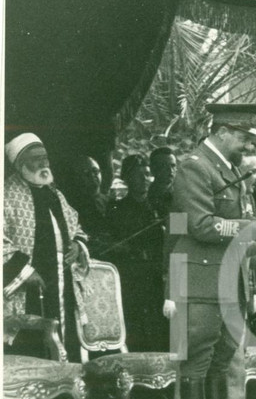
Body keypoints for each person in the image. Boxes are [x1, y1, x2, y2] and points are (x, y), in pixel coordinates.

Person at [167, 103, 256, 399]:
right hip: (200, 281)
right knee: (196, 362)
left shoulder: (229, 169)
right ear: (221, 131)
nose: (247, 146)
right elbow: (201, 225)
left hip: (229, 281)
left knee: (219, 363)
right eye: (243, 137)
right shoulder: (195, 167)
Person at [3, 133, 90, 360]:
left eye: (45, 157)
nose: (44, 163)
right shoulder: (6, 194)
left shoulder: (55, 194)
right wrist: (23, 271)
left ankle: (64, 389)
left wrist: (77, 245)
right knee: (32, 346)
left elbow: (76, 227)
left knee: (64, 333)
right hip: (29, 281)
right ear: (20, 164)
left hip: (62, 278)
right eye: (36, 159)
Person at [108, 153, 165, 352]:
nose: (144, 179)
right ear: (127, 178)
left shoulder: (159, 207)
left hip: (157, 277)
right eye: (138, 175)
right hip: (131, 278)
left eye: (147, 174)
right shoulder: (116, 209)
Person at [148, 146, 177, 218]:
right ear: (153, 169)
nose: (170, 171)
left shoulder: (179, 198)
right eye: (164, 166)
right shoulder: (145, 196)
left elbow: (177, 228)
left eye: (173, 166)